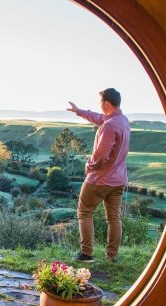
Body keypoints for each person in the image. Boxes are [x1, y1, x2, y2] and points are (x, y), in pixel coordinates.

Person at [67, 88, 130, 263]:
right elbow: (99, 117)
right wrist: (79, 112)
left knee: (84, 212)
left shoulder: (109, 126)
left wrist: (89, 165)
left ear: (106, 103)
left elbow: (101, 155)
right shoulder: (122, 121)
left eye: (100, 102)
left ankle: (86, 254)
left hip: (100, 179)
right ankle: (112, 256)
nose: (99, 106)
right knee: (113, 218)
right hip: (119, 180)